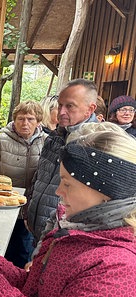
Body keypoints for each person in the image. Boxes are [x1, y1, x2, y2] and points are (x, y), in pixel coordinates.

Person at [0, 127, 136, 297]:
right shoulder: (78, 233)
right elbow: (34, 288)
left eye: (67, 183)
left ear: (106, 192)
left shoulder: (116, 269)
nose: (58, 191)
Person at [26, 78, 98, 244]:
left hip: (65, 235)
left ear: (90, 109)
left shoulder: (97, 144)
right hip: (38, 227)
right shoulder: (54, 137)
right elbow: (39, 176)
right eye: (60, 105)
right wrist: (28, 209)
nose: (61, 112)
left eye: (70, 106)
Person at [0, 100, 47, 268]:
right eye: (21, 118)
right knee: (0, 248)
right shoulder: (0, 141)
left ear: (38, 122)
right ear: (14, 119)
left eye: (30, 119)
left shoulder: (47, 142)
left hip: (30, 208)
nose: (25, 123)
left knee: (23, 250)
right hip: (3, 205)